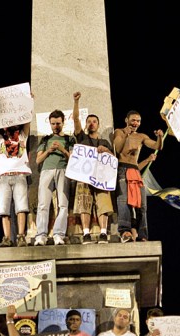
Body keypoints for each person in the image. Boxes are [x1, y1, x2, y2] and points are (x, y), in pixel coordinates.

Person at [113, 111, 163, 243]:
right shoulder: (119, 132)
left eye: (138, 121)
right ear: (126, 120)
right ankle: (125, 232)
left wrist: (160, 137)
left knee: (142, 205)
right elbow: (117, 148)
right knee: (123, 200)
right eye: (133, 120)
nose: (136, 123)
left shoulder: (141, 136)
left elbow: (157, 146)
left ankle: (143, 235)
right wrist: (126, 135)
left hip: (135, 171)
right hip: (122, 169)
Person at [71, 91, 115, 244]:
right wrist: (76, 102)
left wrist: (107, 151)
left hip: (101, 178)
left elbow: (113, 161)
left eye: (94, 121)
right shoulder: (82, 138)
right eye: (89, 121)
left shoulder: (104, 142)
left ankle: (103, 233)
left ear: (98, 124)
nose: (91, 123)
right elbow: (75, 119)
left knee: (103, 203)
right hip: (84, 177)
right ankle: (86, 234)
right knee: (84, 203)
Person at [34, 109, 76, 246]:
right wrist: (49, 150)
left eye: (58, 123)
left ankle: (59, 234)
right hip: (46, 171)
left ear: (63, 123)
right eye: (53, 124)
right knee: (43, 204)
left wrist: (62, 150)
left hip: (63, 170)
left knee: (63, 204)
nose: (55, 126)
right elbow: (37, 160)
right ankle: (41, 235)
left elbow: (73, 159)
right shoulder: (45, 139)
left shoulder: (69, 139)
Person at [0, 122, 32, 247]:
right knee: (4, 209)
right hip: (4, 177)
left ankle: (20, 236)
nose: (9, 129)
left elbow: (27, 122)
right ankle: (7, 238)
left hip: (19, 175)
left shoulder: (22, 137)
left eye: (12, 126)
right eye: (7, 127)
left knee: (21, 207)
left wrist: (28, 104)